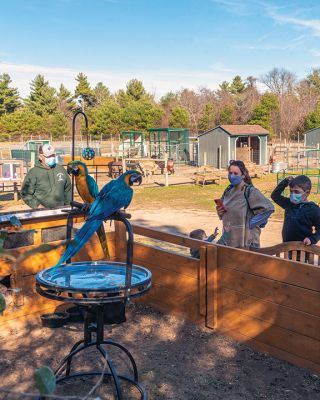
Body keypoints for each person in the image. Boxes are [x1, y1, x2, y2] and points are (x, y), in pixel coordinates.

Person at [216, 160, 274, 249]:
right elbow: (226, 211)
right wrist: (220, 213)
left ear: (243, 175)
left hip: (248, 244)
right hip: (230, 240)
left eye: (236, 173)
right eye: (230, 173)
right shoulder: (228, 191)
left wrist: (251, 223)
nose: (232, 176)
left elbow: (269, 208)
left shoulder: (250, 191)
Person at [271, 175, 320, 245]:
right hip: (287, 247)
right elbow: (275, 196)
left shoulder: (313, 209)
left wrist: (312, 239)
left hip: (304, 249)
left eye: (296, 192)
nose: (293, 194)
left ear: (307, 193)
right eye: (291, 191)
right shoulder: (288, 204)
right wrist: (285, 181)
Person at [21, 144, 71, 209]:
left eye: (53, 155)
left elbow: (68, 190)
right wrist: (38, 206)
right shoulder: (33, 173)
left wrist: (68, 206)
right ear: (40, 157)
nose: (52, 157)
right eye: (48, 156)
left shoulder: (61, 170)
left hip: (61, 211)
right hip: (42, 214)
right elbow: (25, 194)